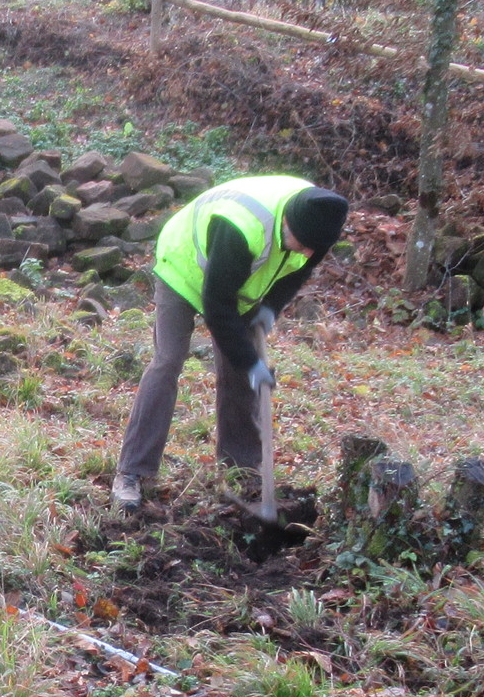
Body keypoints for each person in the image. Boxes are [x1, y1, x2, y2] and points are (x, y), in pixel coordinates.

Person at [113, 174, 349, 510]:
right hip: (183, 266)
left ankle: (242, 470)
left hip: (240, 279)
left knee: (240, 371)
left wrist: (270, 308)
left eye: (317, 247)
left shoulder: (320, 219)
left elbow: (299, 270)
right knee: (169, 360)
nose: (311, 252)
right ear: (287, 223)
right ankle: (132, 472)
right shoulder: (240, 227)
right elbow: (218, 308)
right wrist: (251, 363)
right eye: (305, 244)